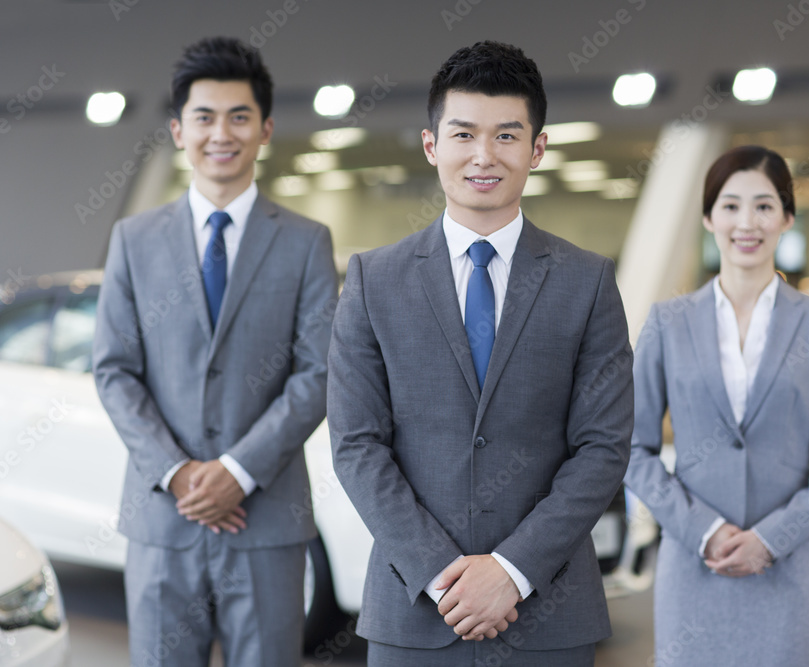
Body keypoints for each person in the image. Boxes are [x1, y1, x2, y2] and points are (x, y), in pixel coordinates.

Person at [327, 41, 633, 666]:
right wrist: (442, 572)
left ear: (538, 149)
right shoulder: (372, 280)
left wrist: (512, 571)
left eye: (507, 136)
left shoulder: (587, 281)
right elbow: (356, 445)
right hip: (414, 609)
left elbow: (603, 447)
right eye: (464, 134)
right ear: (431, 144)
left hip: (548, 613)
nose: (484, 156)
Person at [92, 36, 337, 666]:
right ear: (178, 130)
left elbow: (318, 373)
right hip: (161, 523)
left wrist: (238, 471)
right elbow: (114, 370)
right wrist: (179, 474)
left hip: (267, 522)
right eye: (204, 117)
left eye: (239, 116)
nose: (220, 133)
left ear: (265, 129)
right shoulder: (134, 240)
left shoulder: (307, 243)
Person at [624, 145, 809, 666]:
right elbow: (631, 446)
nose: (747, 222)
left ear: (786, 217)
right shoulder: (668, 323)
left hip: (783, 570)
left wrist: (771, 537)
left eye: (763, 205)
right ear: (710, 216)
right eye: (731, 205)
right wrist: (703, 531)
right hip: (692, 568)